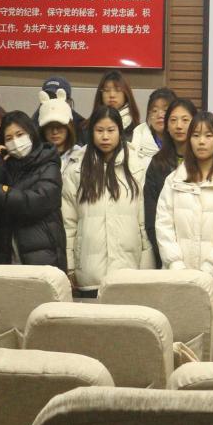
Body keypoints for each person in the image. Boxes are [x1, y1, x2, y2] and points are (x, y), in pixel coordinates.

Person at [61, 106, 149, 297]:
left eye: (111, 130)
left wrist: (146, 269)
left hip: (128, 272)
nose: (105, 137)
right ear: (91, 132)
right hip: (89, 274)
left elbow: (143, 223)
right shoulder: (76, 169)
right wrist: (70, 267)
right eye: (99, 130)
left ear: (120, 131)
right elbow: (68, 224)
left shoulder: (136, 166)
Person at [154, 111, 213, 304]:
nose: (201, 141)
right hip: (177, 279)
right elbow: (163, 225)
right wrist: (177, 266)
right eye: (196, 135)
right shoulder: (173, 180)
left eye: (208, 135)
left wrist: (209, 270)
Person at [0, 110, 66, 270]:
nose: (15, 142)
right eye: (8, 138)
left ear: (31, 134)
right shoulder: (6, 167)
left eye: (20, 135)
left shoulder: (49, 165)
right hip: (8, 257)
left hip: (43, 258)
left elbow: (33, 203)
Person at [143, 98, 196, 268]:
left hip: (199, 248)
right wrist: (165, 252)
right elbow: (151, 215)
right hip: (167, 252)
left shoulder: (204, 163)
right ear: (166, 125)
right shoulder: (157, 163)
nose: (179, 126)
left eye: (185, 120)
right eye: (173, 120)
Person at [37, 88, 81, 171]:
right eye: (49, 127)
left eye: (59, 126)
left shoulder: (80, 155)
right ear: (43, 130)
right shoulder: (35, 157)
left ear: (69, 127)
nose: (55, 132)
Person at [131, 88, 177, 164]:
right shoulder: (138, 138)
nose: (160, 115)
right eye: (155, 111)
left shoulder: (182, 141)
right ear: (149, 114)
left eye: (165, 110)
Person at [93, 70, 141, 137]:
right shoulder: (87, 128)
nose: (112, 95)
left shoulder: (138, 130)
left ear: (126, 94)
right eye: (107, 90)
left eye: (118, 90)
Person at [38, 76, 87, 141]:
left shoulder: (81, 125)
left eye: (56, 97)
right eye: (50, 97)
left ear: (69, 101)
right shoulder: (35, 123)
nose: (53, 101)